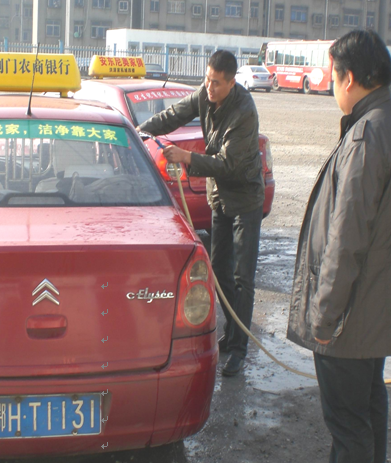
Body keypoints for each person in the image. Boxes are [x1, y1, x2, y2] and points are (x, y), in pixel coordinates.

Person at [287, 30, 391, 463]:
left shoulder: (367, 134)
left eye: (332, 77)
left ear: (349, 80)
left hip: (350, 316)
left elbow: (346, 237)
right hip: (374, 310)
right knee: (369, 410)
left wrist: (324, 317)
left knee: (349, 428)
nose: (331, 86)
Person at [137, 50, 265, 376]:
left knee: (243, 277)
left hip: (245, 199)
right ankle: (233, 331)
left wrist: (186, 157)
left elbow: (228, 164)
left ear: (232, 83)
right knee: (219, 271)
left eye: (217, 83)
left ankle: (239, 348)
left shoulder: (244, 111)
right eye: (207, 80)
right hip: (219, 197)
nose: (210, 87)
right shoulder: (205, 95)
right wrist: (137, 132)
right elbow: (173, 115)